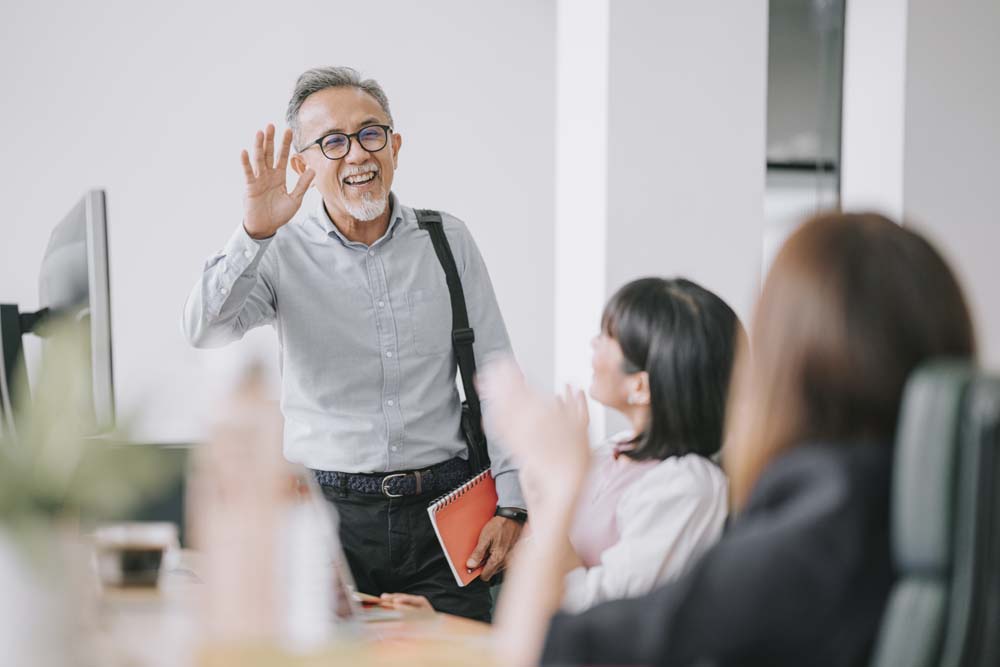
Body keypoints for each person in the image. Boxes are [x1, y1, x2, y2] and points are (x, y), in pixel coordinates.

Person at [484, 212, 976, 666]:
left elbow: (537, 650)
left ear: (786, 366)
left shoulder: (795, 548)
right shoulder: (946, 514)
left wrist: (562, 482)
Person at [182, 66, 524, 622]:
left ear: (396, 145)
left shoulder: (447, 239)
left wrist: (515, 506)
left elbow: (497, 372)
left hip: (445, 515)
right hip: (325, 519)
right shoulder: (279, 250)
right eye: (333, 143)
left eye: (371, 133)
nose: (358, 155)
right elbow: (204, 327)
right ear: (303, 165)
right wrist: (254, 233)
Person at [381, 277, 739, 614]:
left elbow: (601, 611)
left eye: (608, 337)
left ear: (641, 387)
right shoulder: (611, 452)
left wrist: (556, 482)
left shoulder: (688, 487)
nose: (593, 344)